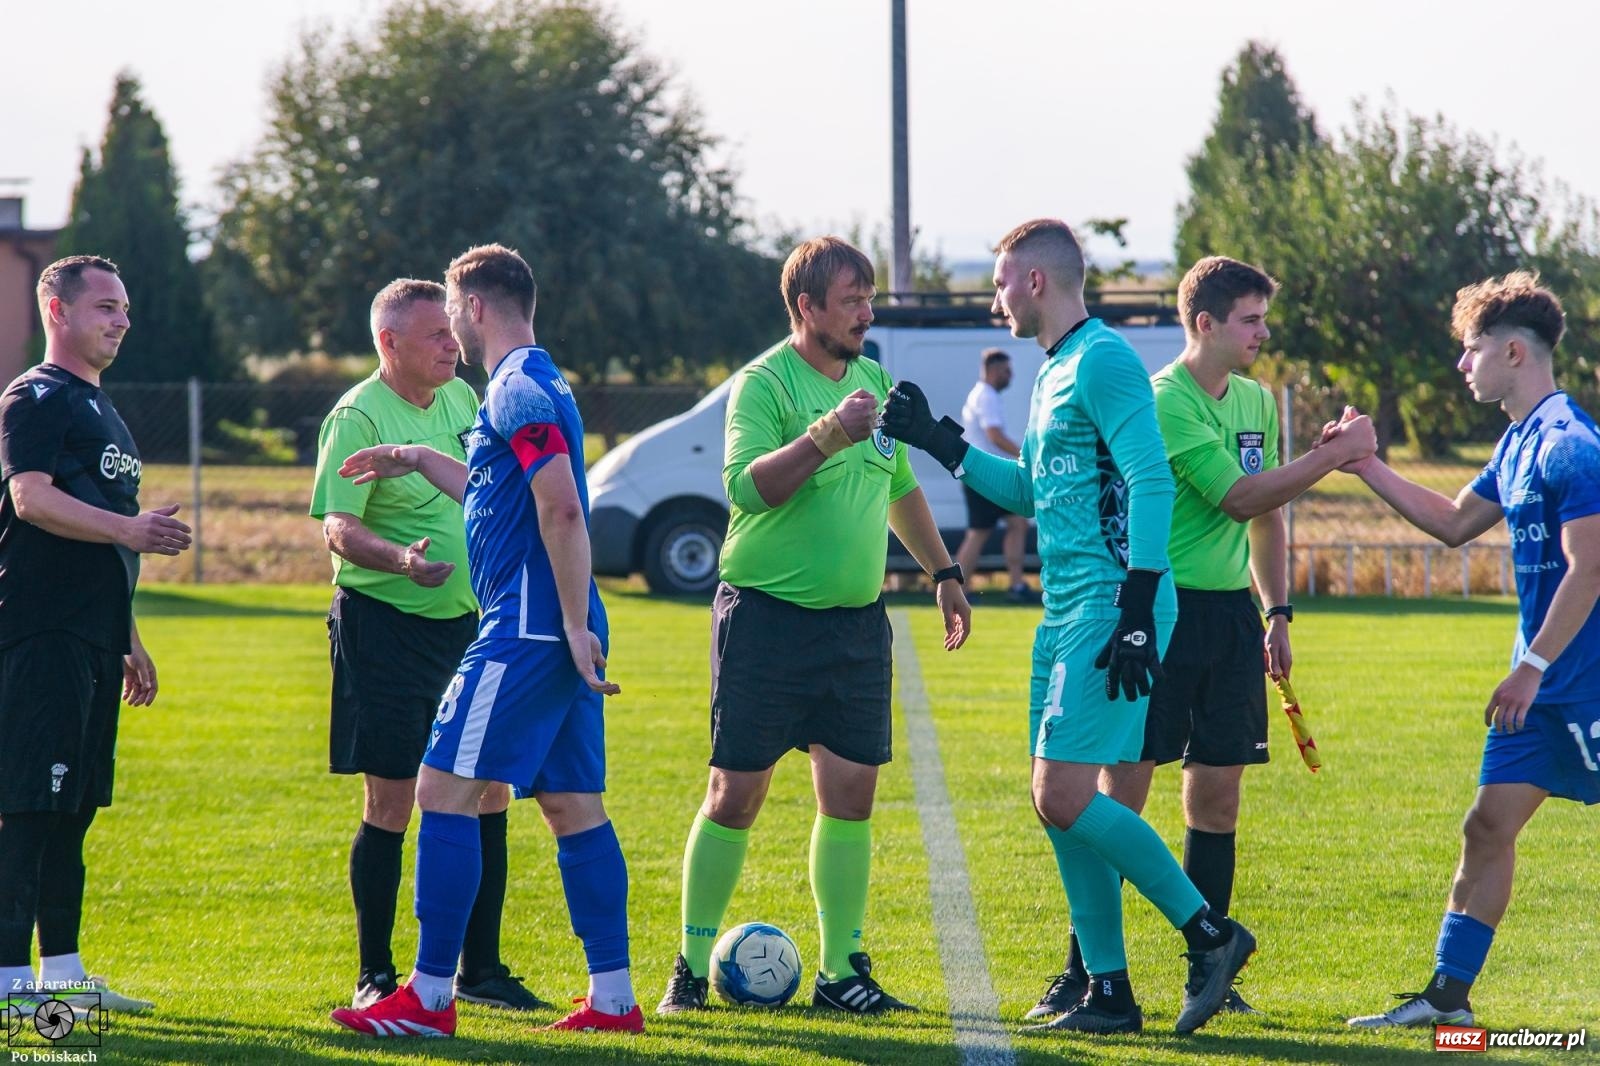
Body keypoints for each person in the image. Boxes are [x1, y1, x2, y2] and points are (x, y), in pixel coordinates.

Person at [882, 219, 1256, 1036]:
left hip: (1112, 606)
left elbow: (1151, 479)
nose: (994, 301)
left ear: (1036, 282)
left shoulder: (1104, 359)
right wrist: (938, 440)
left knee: (1061, 793)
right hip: (1067, 611)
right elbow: (1030, 490)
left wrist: (1137, 608)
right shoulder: (1052, 370)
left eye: (999, 284)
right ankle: (1109, 992)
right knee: (1058, 802)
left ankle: (1211, 934)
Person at [1028, 256, 1376, 1020]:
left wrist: (1277, 612)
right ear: (1206, 323)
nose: (1263, 333)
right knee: (1116, 796)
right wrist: (1334, 455)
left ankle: (1207, 973)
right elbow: (1238, 495)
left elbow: (1267, 515)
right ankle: (1085, 973)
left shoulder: (1254, 400)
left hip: (1229, 620)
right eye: (1251, 320)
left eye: (1264, 319)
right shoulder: (1161, 401)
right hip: (1158, 615)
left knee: (1217, 799)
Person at [328, 244, 640, 1038]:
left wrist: (568, 625)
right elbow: (491, 488)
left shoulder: (514, 387)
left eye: (450, 313)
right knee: (572, 805)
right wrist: (412, 456)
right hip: (557, 619)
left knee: (440, 791)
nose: (450, 331)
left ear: (473, 308)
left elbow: (560, 506)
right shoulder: (536, 381)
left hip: (529, 624)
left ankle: (430, 999)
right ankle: (614, 1000)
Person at [656, 236, 971, 1017]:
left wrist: (945, 573)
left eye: (870, 298)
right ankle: (689, 969)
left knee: (852, 794)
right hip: (765, 620)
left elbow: (900, 488)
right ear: (807, 307)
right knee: (736, 794)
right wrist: (828, 433)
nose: (866, 313)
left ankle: (840, 972)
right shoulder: (763, 384)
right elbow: (748, 489)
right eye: (852, 300)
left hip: (856, 626)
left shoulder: (876, 382)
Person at [1344, 273, 1600, 1029]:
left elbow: (1591, 567)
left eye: (1472, 349)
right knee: (1486, 827)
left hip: (1576, 683)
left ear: (1513, 352)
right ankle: (1447, 999)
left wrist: (1531, 666)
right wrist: (1366, 464)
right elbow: (1455, 522)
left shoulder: (1571, 445)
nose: (1462, 365)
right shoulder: (1518, 443)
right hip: (1543, 690)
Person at [309, 278, 542, 1012]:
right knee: (393, 797)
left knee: (488, 788)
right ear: (389, 343)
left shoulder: (463, 400)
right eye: (436, 335)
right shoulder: (357, 415)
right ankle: (375, 974)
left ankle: (481, 971)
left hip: (468, 628)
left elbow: (483, 490)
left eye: (451, 330)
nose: (452, 344)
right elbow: (338, 529)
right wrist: (401, 562)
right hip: (383, 626)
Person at [0, 255, 192, 1014]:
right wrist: (130, 528)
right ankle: (10, 986)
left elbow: (103, 540)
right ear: (57, 310)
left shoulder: (100, 408)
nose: (122, 321)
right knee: (29, 807)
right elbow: (31, 499)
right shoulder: (36, 396)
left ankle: (64, 977)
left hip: (91, 637)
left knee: (73, 811)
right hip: (39, 631)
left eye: (125, 308)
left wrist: (126, 633)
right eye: (106, 307)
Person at [954, 348, 1036, 602]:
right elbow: (994, 435)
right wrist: (1025, 455)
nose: (1010, 376)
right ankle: (958, 589)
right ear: (993, 370)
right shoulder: (986, 396)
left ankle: (1016, 584)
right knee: (978, 533)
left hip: (985, 474)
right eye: (1006, 371)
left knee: (1018, 523)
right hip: (984, 476)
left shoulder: (983, 395)